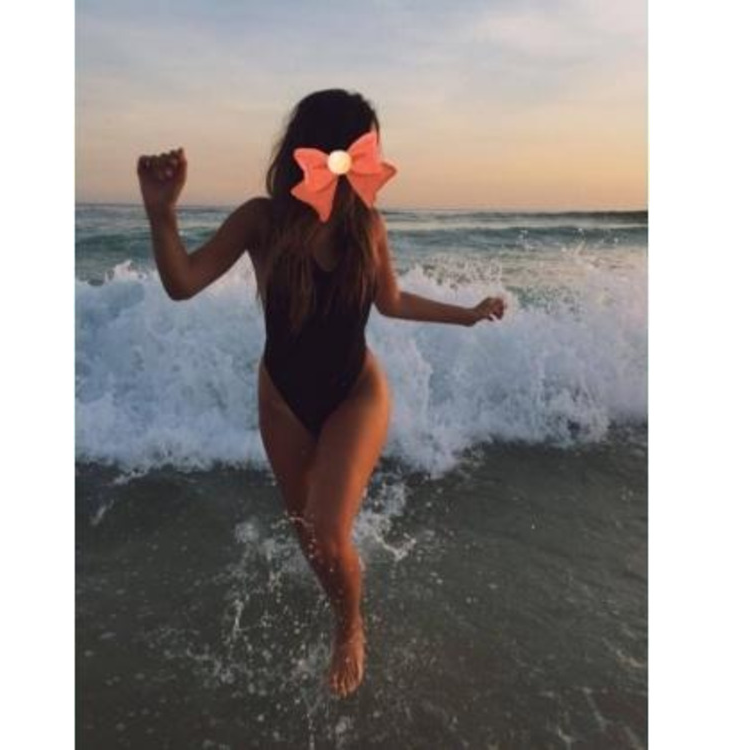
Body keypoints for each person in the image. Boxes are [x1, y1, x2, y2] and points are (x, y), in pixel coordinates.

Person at [137, 89, 505, 698]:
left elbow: (391, 301)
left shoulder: (367, 225)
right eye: (362, 144)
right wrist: (162, 214)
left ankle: (350, 625)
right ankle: (341, 598)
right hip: (283, 398)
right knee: (309, 538)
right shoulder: (262, 220)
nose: (368, 157)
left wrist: (465, 315)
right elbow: (183, 283)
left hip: (355, 390)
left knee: (328, 529)